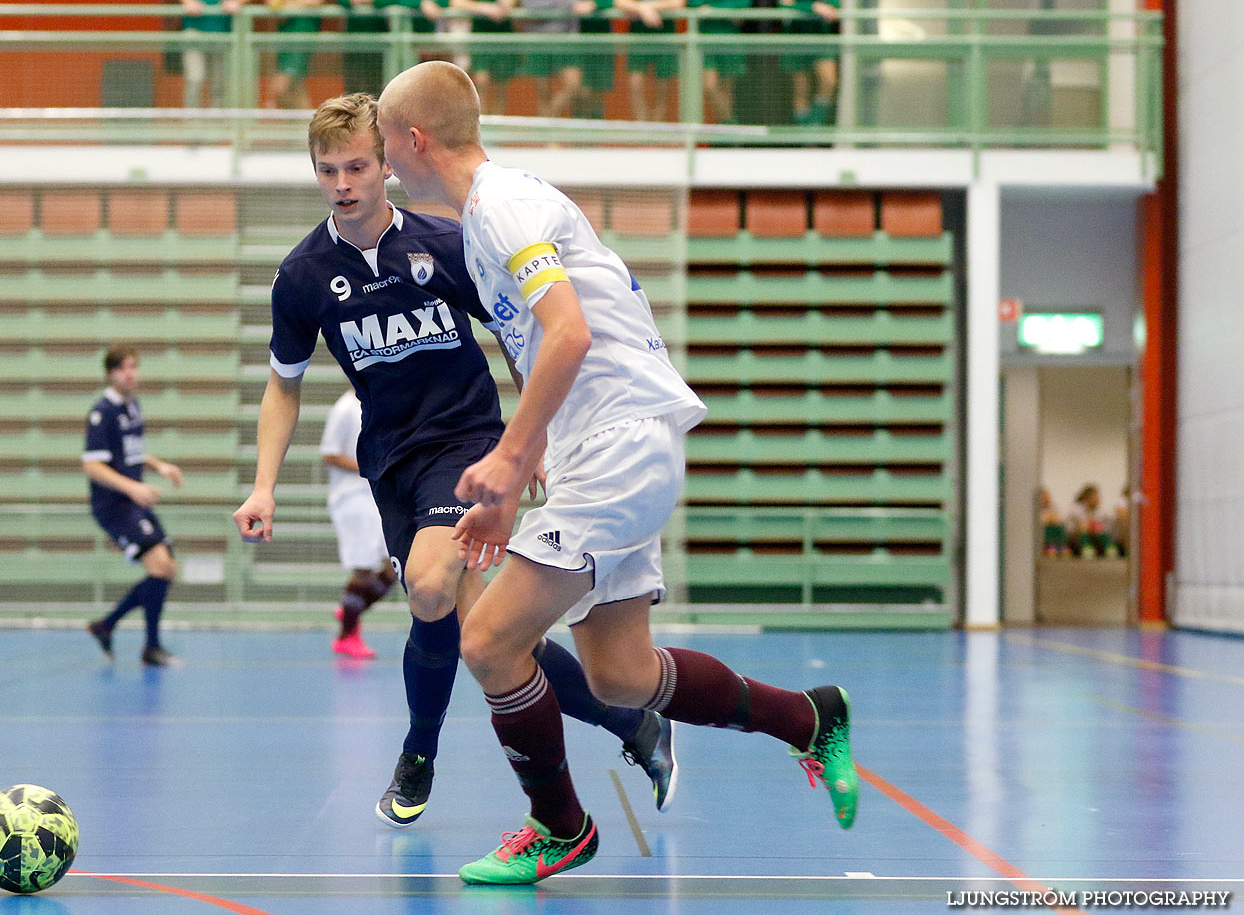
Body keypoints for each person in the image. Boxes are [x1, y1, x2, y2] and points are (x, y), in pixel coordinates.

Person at [378, 61, 857, 884]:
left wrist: (508, 456)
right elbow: (551, 343)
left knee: (489, 642)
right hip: (601, 449)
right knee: (622, 675)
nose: (384, 164)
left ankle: (558, 827)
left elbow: (569, 335)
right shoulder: (490, 215)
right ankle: (808, 717)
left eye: (385, 145)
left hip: (618, 444)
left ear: (413, 140)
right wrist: (537, 455)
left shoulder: (502, 207)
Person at [232, 93, 678, 829]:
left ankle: (419, 754)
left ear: (384, 166)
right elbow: (283, 387)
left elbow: (516, 333)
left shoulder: (446, 243)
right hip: (392, 462)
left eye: (357, 166)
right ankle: (630, 723)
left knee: (433, 587)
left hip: (466, 444)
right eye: (327, 170)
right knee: (484, 632)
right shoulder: (303, 275)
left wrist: (523, 445)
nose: (343, 183)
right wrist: (264, 487)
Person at [83, 346, 184, 666]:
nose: (131, 373)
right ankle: (148, 645)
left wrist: (159, 465)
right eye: (124, 368)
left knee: (167, 569)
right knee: (160, 567)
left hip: (133, 501)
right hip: (114, 504)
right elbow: (93, 466)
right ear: (111, 373)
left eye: (135, 367)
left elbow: (132, 452)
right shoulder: (103, 412)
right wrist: (133, 487)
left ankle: (108, 626)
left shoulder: (133, 407)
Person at [321, 389, 395, 659]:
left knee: (395, 567)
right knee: (363, 569)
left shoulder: (381, 405)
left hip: (377, 498)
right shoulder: (345, 408)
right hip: (352, 498)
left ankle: (352, 607)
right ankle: (346, 636)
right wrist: (369, 467)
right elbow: (329, 453)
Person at [688, 0, 754, 125]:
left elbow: (742, 4)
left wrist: (712, 10)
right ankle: (731, 127)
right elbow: (693, 0)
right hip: (706, 37)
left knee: (726, 90)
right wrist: (723, 12)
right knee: (710, 86)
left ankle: (724, 141)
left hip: (730, 37)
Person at [615, 0, 685, 122]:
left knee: (663, 87)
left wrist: (646, 4)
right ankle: (642, 127)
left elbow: (678, 1)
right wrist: (642, 8)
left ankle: (658, 127)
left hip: (665, 38)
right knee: (636, 84)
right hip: (638, 38)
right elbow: (620, 0)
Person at [450, 0, 520, 116]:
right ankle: (484, 124)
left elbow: (507, 3)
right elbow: (456, 0)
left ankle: (498, 124)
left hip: (504, 36)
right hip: (480, 34)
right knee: (481, 81)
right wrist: (485, 8)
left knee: (501, 85)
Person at [519, 0, 584, 119]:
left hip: (565, 38)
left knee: (573, 84)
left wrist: (552, 3)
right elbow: (529, 5)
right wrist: (558, 1)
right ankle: (549, 143)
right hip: (538, 37)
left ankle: (553, 115)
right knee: (543, 91)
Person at [778, 0, 841, 126]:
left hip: (821, 40)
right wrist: (814, 6)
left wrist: (802, 6)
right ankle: (805, 135)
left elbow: (835, 6)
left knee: (829, 81)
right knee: (801, 89)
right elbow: (783, 3)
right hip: (795, 42)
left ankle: (815, 124)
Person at [571, 0, 625, 119]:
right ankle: (578, 132)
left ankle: (594, 135)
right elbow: (576, 0)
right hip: (580, 39)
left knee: (598, 90)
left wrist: (594, 4)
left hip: (604, 40)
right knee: (580, 89)